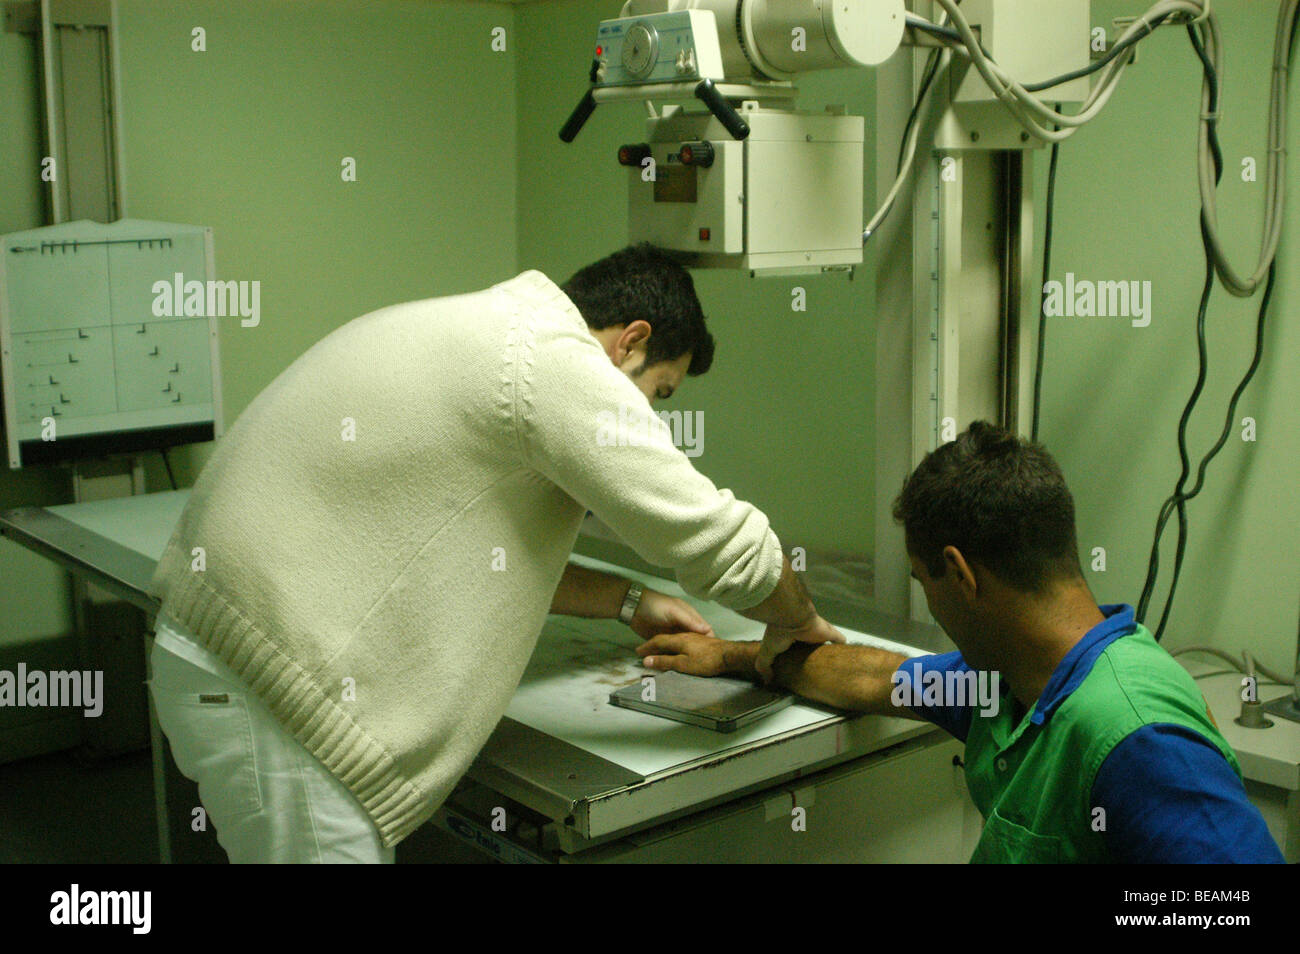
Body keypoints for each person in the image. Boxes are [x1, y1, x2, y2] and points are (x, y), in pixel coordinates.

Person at [147, 243, 842, 862]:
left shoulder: (493, 330)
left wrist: (627, 600)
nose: (650, 416)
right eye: (658, 393)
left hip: (222, 654)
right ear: (631, 341)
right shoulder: (550, 361)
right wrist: (797, 619)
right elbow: (714, 537)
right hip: (275, 697)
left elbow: (482, 550)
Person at [637, 421, 1284, 863]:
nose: (929, 602)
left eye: (925, 582)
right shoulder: (1006, 682)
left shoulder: (1135, 737)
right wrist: (734, 657)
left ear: (964, 575)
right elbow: (873, 677)